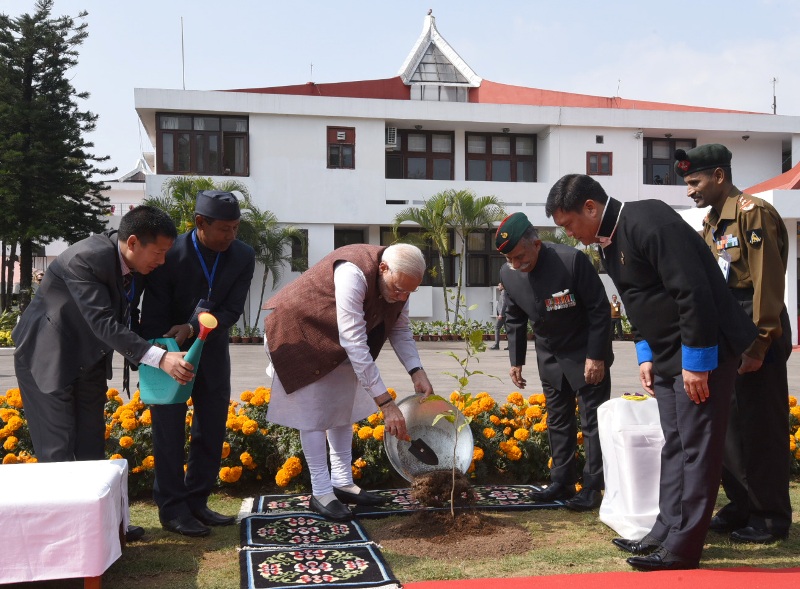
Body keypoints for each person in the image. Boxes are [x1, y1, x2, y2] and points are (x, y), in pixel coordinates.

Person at [546, 174, 757, 571]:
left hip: (702, 350)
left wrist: (696, 363)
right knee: (674, 443)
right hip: (667, 354)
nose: (572, 235)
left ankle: (684, 547)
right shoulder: (608, 241)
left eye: (570, 224)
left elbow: (692, 291)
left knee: (697, 447)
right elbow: (635, 300)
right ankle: (665, 529)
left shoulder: (648, 220)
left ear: (590, 207)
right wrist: (646, 355)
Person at [12, 205, 191, 543]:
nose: (163, 261)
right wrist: (160, 358)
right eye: (160, 252)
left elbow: (124, 317)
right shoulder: (86, 258)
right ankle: (66, 544)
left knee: (91, 447)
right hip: (46, 358)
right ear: (134, 242)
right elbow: (103, 323)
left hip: (88, 360)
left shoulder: (133, 266)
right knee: (59, 454)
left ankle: (101, 530)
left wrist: (160, 345)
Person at [263, 243, 434, 521]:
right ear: (383, 269)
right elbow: (354, 339)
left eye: (408, 292)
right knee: (315, 415)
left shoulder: (400, 283)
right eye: (397, 289)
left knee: (344, 409)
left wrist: (417, 370)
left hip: (335, 339)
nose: (401, 296)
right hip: (299, 334)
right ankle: (320, 492)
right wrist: (386, 404)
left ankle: (342, 483)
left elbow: (399, 327)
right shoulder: (352, 271)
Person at [677, 143, 792, 544]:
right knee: (730, 428)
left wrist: (759, 344)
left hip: (757, 324)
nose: (690, 190)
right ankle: (743, 504)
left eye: (695, 181)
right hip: (731, 325)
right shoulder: (712, 222)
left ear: (719, 177)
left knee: (761, 428)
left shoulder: (752, 213)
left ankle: (771, 517)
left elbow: (767, 285)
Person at [141, 190, 255, 537]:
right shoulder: (170, 253)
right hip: (168, 349)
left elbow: (233, 309)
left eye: (236, 228)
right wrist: (164, 350)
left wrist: (195, 326)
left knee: (211, 423)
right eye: (224, 229)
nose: (231, 236)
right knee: (169, 427)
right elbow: (154, 306)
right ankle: (172, 508)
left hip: (212, 348)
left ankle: (197, 501)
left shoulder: (242, 256)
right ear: (200, 223)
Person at [495, 212, 613, 511]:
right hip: (549, 355)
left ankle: (592, 487)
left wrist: (596, 356)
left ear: (536, 243)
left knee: (592, 423)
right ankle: (561, 480)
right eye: (510, 259)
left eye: (520, 256)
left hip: (585, 354)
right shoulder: (509, 274)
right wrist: (516, 359)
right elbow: (514, 316)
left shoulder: (571, 261)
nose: (516, 265)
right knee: (558, 421)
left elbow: (599, 310)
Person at [489, 282, 508, 350]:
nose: (498, 286)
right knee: (507, 329)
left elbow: (504, 304)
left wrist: (501, 314)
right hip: (504, 314)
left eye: (499, 285)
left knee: (497, 327)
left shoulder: (503, 292)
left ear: (503, 286)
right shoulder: (504, 292)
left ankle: (496, 344)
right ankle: (510, 345)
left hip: (503, 314)